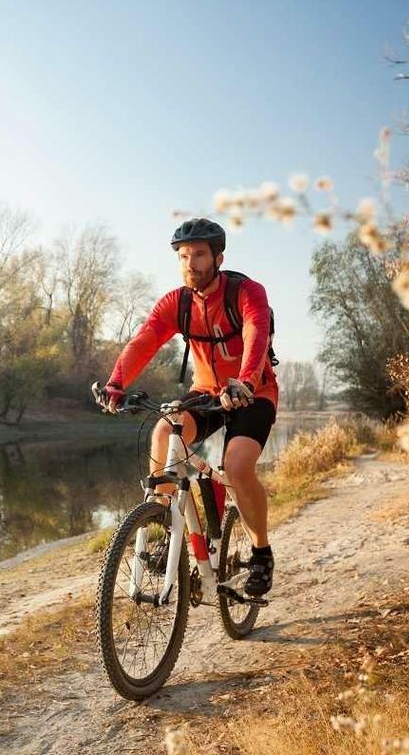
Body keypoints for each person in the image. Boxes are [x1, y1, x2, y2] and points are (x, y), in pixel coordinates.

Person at [95, 217, 279, 597]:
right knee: (165, 430)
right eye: (183, 256)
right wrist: (116, 383)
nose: (190, 263)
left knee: (238, 465)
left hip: (253, 392)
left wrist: (245, 379)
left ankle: (261, 552)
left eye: (198, 254)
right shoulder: (176, 303)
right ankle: (162, 518)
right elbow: (145, 341)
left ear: (218, 257)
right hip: (207, 392)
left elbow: (256, 331)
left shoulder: (246, 292)